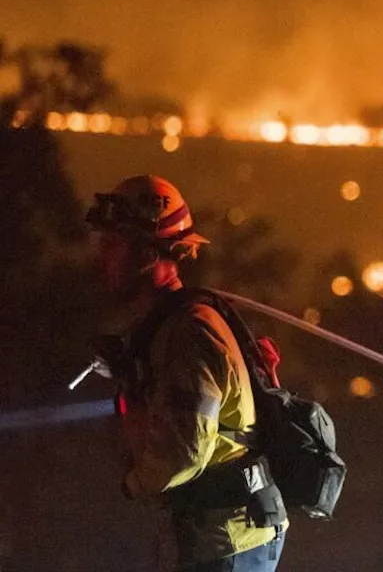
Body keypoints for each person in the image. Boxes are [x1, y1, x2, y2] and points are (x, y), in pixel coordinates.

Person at [87, 175, 287, 571]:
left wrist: (133, 483)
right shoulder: (167, 327)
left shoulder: (188, 333)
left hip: (224, 543)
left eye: (113, 244)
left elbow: (184, 451)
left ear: (147, 252)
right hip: (213, 537)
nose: (102, 256)